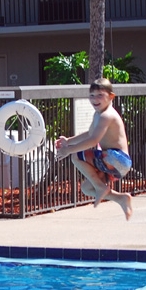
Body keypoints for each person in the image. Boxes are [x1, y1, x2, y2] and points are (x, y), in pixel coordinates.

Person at [53, 77, 134, 220]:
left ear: (111, 97)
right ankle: (121, 199)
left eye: (100, 95)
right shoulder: (98, 114)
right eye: (91, 95)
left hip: (117, 159)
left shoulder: (106, 115)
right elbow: (90, 134)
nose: (95, 99)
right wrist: (68, 141)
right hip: (113, 161)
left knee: (75, 156)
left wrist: (69, 150)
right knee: (86, 188)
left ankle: (101, 187)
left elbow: (94, 140)